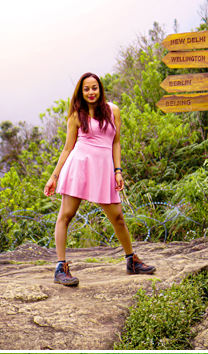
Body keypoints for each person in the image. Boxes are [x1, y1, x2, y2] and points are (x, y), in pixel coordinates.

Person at [41, 72, 154, 287]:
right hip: (80, 167)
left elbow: (116, 142)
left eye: (94, 88)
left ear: (100, 89)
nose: (91, 92)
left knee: (118, 218)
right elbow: (68, 148)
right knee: (66, 215)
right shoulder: (76, 115)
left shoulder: (113, 111)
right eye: (86, 89)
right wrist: (53, 177)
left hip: (103, 170)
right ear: (81, 92)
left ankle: (132, 261)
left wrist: (118, 170)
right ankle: (61, 268)